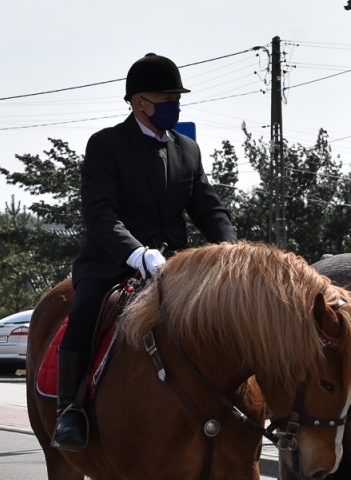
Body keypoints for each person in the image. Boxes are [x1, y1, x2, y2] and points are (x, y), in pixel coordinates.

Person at [51, 52, 237, 451]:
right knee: (85, 310)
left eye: (177, 98)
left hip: (174, 264)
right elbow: (100, 213)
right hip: (113, 262)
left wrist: (231, 250)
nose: (174, 105)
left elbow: (207, 205)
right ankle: (71, 409)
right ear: (138, 102)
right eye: (165, 98)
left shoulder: (187, 149)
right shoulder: (106, 145)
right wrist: (137, 253)